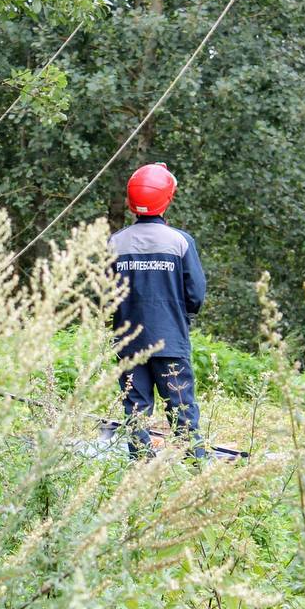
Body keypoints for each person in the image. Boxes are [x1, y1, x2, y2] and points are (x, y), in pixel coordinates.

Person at [108, 163, 207, 459]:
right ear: (168, 199)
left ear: (130, 202)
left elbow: (106, 294)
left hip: (128, 344)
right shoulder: (180, 242)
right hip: (170, 342)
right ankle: (195, 471)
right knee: (181, 408)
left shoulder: (116, 243)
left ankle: (140, 476)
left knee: (135, 411)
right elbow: (195, 295)